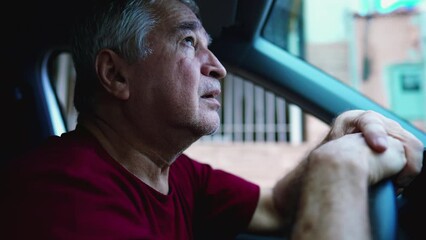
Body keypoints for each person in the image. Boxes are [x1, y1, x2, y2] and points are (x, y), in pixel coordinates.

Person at [1, 0, 423, 239]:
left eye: (210, 45)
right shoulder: (60, 200)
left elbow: (274, 205)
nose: (218, 67)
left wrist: (333, 144)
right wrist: (339, 169)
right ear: (115, 75)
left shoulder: (174, 174)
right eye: (188, 41)